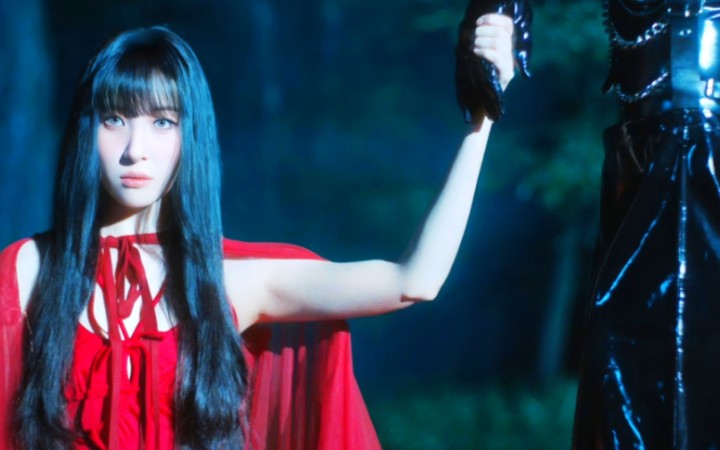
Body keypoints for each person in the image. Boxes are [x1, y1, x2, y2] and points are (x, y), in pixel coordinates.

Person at [0, 13, 516, 450]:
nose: (136, 149)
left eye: (162, 122)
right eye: (114, 119)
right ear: (86, 130)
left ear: (190, 136)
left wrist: (482, 115)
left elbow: (414, 280)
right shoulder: (26, 269)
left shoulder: (233, 282)